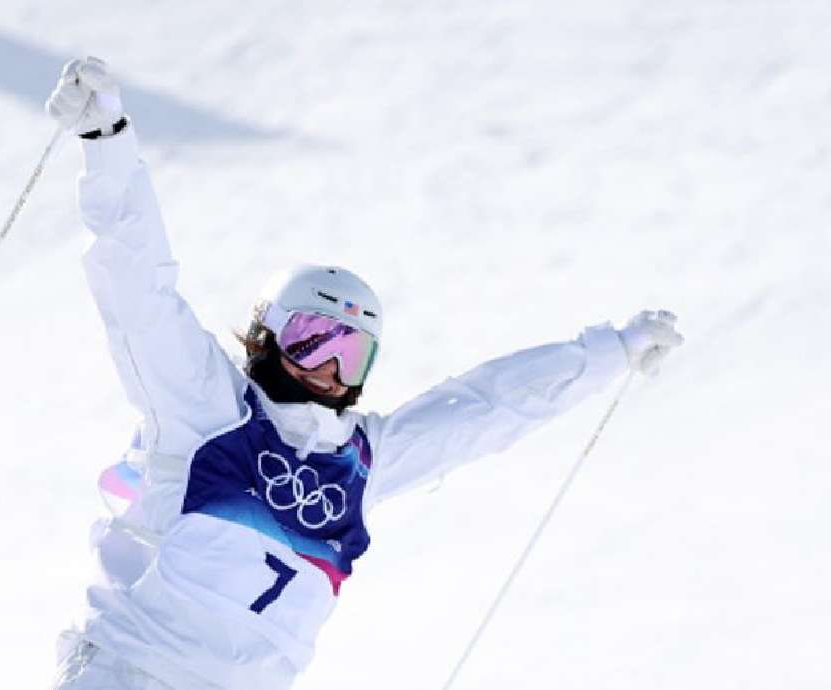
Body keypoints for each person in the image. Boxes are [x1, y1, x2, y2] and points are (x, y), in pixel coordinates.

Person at [44, 58, 684, 690]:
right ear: (267, 335)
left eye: (350, 354)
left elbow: (487, 410)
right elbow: (140, 291)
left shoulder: (361, 461)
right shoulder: (210, 409)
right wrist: (108, 145)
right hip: (131, 671)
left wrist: (611, 352)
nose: (327, 369)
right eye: (312, 340)